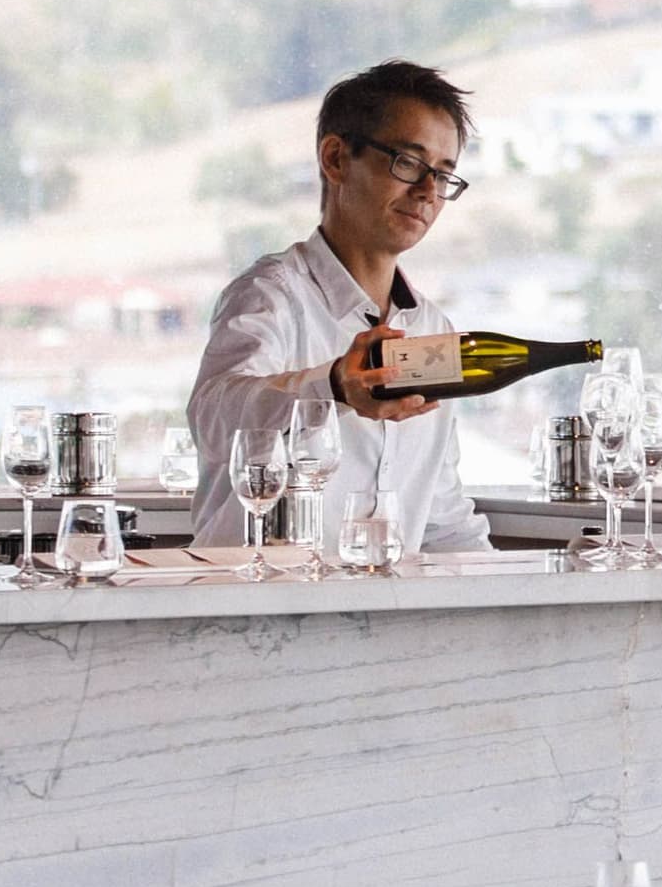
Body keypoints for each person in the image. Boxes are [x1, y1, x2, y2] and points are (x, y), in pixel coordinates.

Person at [187, 60, 494, 565]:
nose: (427, 193)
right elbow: (214, 418)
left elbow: (440, 516)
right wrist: (332, 386)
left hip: (377, 623)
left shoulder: (433, 329)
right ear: (335, 158)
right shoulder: (271, 296)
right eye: (408, 163)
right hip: (248, 609)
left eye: (442, 176)